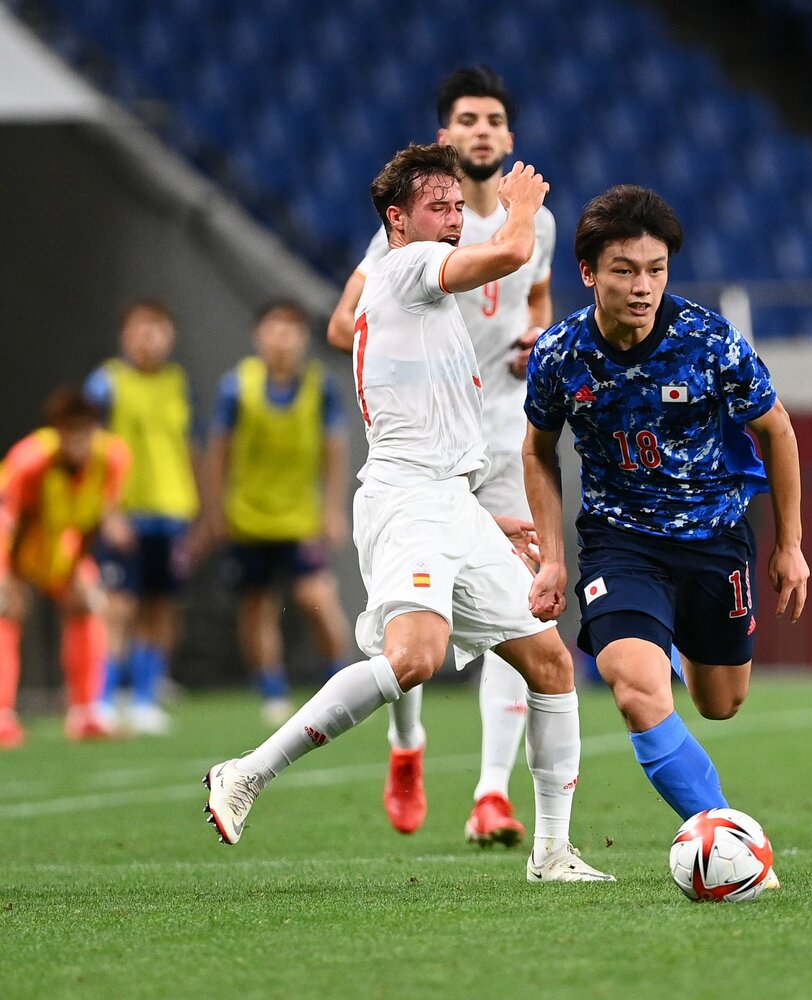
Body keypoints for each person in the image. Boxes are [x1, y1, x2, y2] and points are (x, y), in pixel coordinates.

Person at [204, 143, 611, 883]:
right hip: (407, 497)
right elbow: (512, 253)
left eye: (460, 206)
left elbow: (430, 421)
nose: (455, 220)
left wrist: (483, 520)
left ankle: (552, 854)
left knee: (552, 663)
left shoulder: (427, 306)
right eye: (439, 207)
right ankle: (246, 773)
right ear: (397, 220)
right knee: (415, 658)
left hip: (449, 501)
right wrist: (520, 210)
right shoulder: (405, 268)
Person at [524, 185, 808, 885]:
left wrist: (789, 545)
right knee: (634, 690)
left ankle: (675, 641)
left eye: (655, 269)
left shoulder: (709, 341)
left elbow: (777, 430)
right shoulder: (561, 354)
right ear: (589, 273)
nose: (643, 285)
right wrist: (554, 559)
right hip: (621, 546)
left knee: (721, 704)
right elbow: (535, 449)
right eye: (624, 270)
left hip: (715, 539)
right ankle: (733, 846)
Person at [328, 66, 551, 847]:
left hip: (505, 435)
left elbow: (537, 300)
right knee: (413, 630)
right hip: (424, 447)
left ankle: (492, 791)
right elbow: (344, 322)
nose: (481, 129)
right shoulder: (412, 235)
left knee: (518, 611)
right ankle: (406, 744)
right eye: (466, 119)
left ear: (509, 138)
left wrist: (536, 348)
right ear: (446, 137)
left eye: (494, 118)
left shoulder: (538, 231)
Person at [202, 302, 352, 726]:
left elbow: (335, 451)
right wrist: (214, 511)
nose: (282, 339)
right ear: (258, 336)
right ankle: (271, 688)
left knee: (315, 597)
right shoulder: (238, 387)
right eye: (274, 329)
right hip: (248, 516)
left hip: (301, 518)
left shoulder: (320, 387)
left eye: (291, 330)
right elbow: (218, 453)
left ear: (304, 338)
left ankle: (339, 680)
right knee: (257, 604)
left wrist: (332, 510)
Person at [84, 299, 201, 735]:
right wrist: (107, 512)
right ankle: (104, 697)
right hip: (125, 513)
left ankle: (146, 698)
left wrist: (199, 511)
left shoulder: (177, 382)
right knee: (118, 607)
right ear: (124, 335)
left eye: (158, 328)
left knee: (159, 607)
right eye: (141, 328)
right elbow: (91, 453)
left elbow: (190, 445)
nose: (149, 337)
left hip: (172, 512)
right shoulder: (105, 383)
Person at [0, 387, 131, 746]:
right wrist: (11, 580)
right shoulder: (30, 461)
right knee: (5, 614)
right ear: (56, 432)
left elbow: (91, 520)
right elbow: (17, 521)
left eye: (85, 431)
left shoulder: (113, 457)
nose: (78, 441)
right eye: (69, 432)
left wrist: (76, 571)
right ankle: (1, 716)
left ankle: (86, 713)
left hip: (61, 543)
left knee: (86, 605)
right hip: (11, 541)